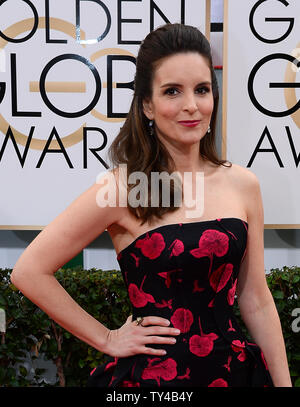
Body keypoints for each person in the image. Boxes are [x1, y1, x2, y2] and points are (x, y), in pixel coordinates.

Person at [11, 23, 291, 387]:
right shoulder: (123, 188)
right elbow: (29, 271)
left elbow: (254, 298)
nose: (191, 105)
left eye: (202, 89)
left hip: (234, 374)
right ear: (147, 104)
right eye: (172, 91)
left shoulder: (242, 184)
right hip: (154, 382)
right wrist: (107, 338)